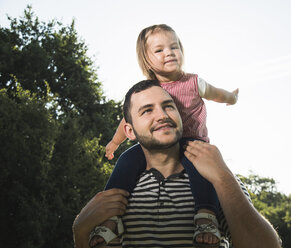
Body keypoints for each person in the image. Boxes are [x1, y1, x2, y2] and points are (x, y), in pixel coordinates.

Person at [73, 81, 281, 248]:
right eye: (147, 111)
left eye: (168, 106)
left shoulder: (218, 179)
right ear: (129, 131)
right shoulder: (120, 190)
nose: (162, 116)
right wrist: (80, 232)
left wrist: (223, 178)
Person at [93, 24, 239, 247]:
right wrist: (115, 142)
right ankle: (111, 218)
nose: (169, 52)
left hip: (191, 142)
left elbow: (218, 94)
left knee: (202, 171)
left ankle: (206, 215)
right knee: (126, 161)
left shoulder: (193, 82)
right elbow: (127, 121)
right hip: (156, 145)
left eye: (174, 46)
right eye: (159, 50)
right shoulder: (149, 89)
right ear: (146, 59)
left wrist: (232, 98)